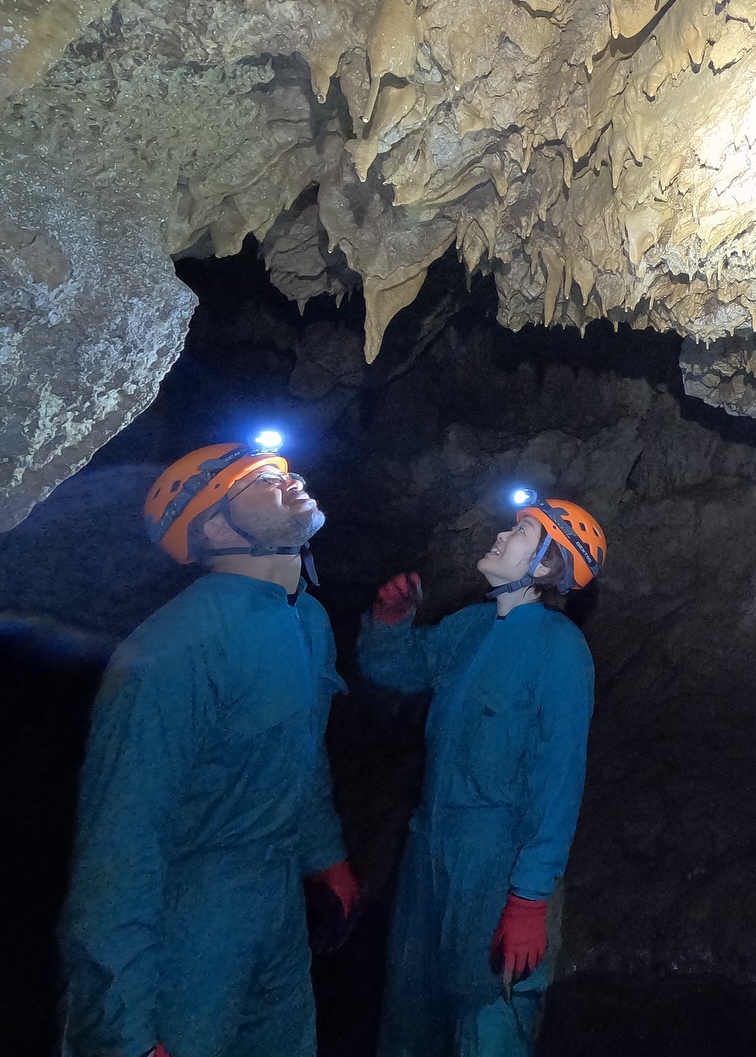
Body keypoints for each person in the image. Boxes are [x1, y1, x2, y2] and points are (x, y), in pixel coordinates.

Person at [60, 436, 359, 1057]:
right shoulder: (171, 651)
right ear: (216, 530)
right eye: (257, 481)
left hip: (274, 901)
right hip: (188, 917)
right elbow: (121, 844)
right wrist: (124, 1032)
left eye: (282, 468)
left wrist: (324, 856)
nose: (289, 477)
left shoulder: (308, 619)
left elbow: (304, 754)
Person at [360, 487, 605, 1057]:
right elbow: (397, 667)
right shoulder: (469, 627)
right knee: (410, 1015)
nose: (501, 534)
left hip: (497, 861)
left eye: (520, 534)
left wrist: (529, 898)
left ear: (546, 565)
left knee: (488, 1020)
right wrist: (390, 622)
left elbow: (558, 781)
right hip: (432, 848)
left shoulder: (560, 650)